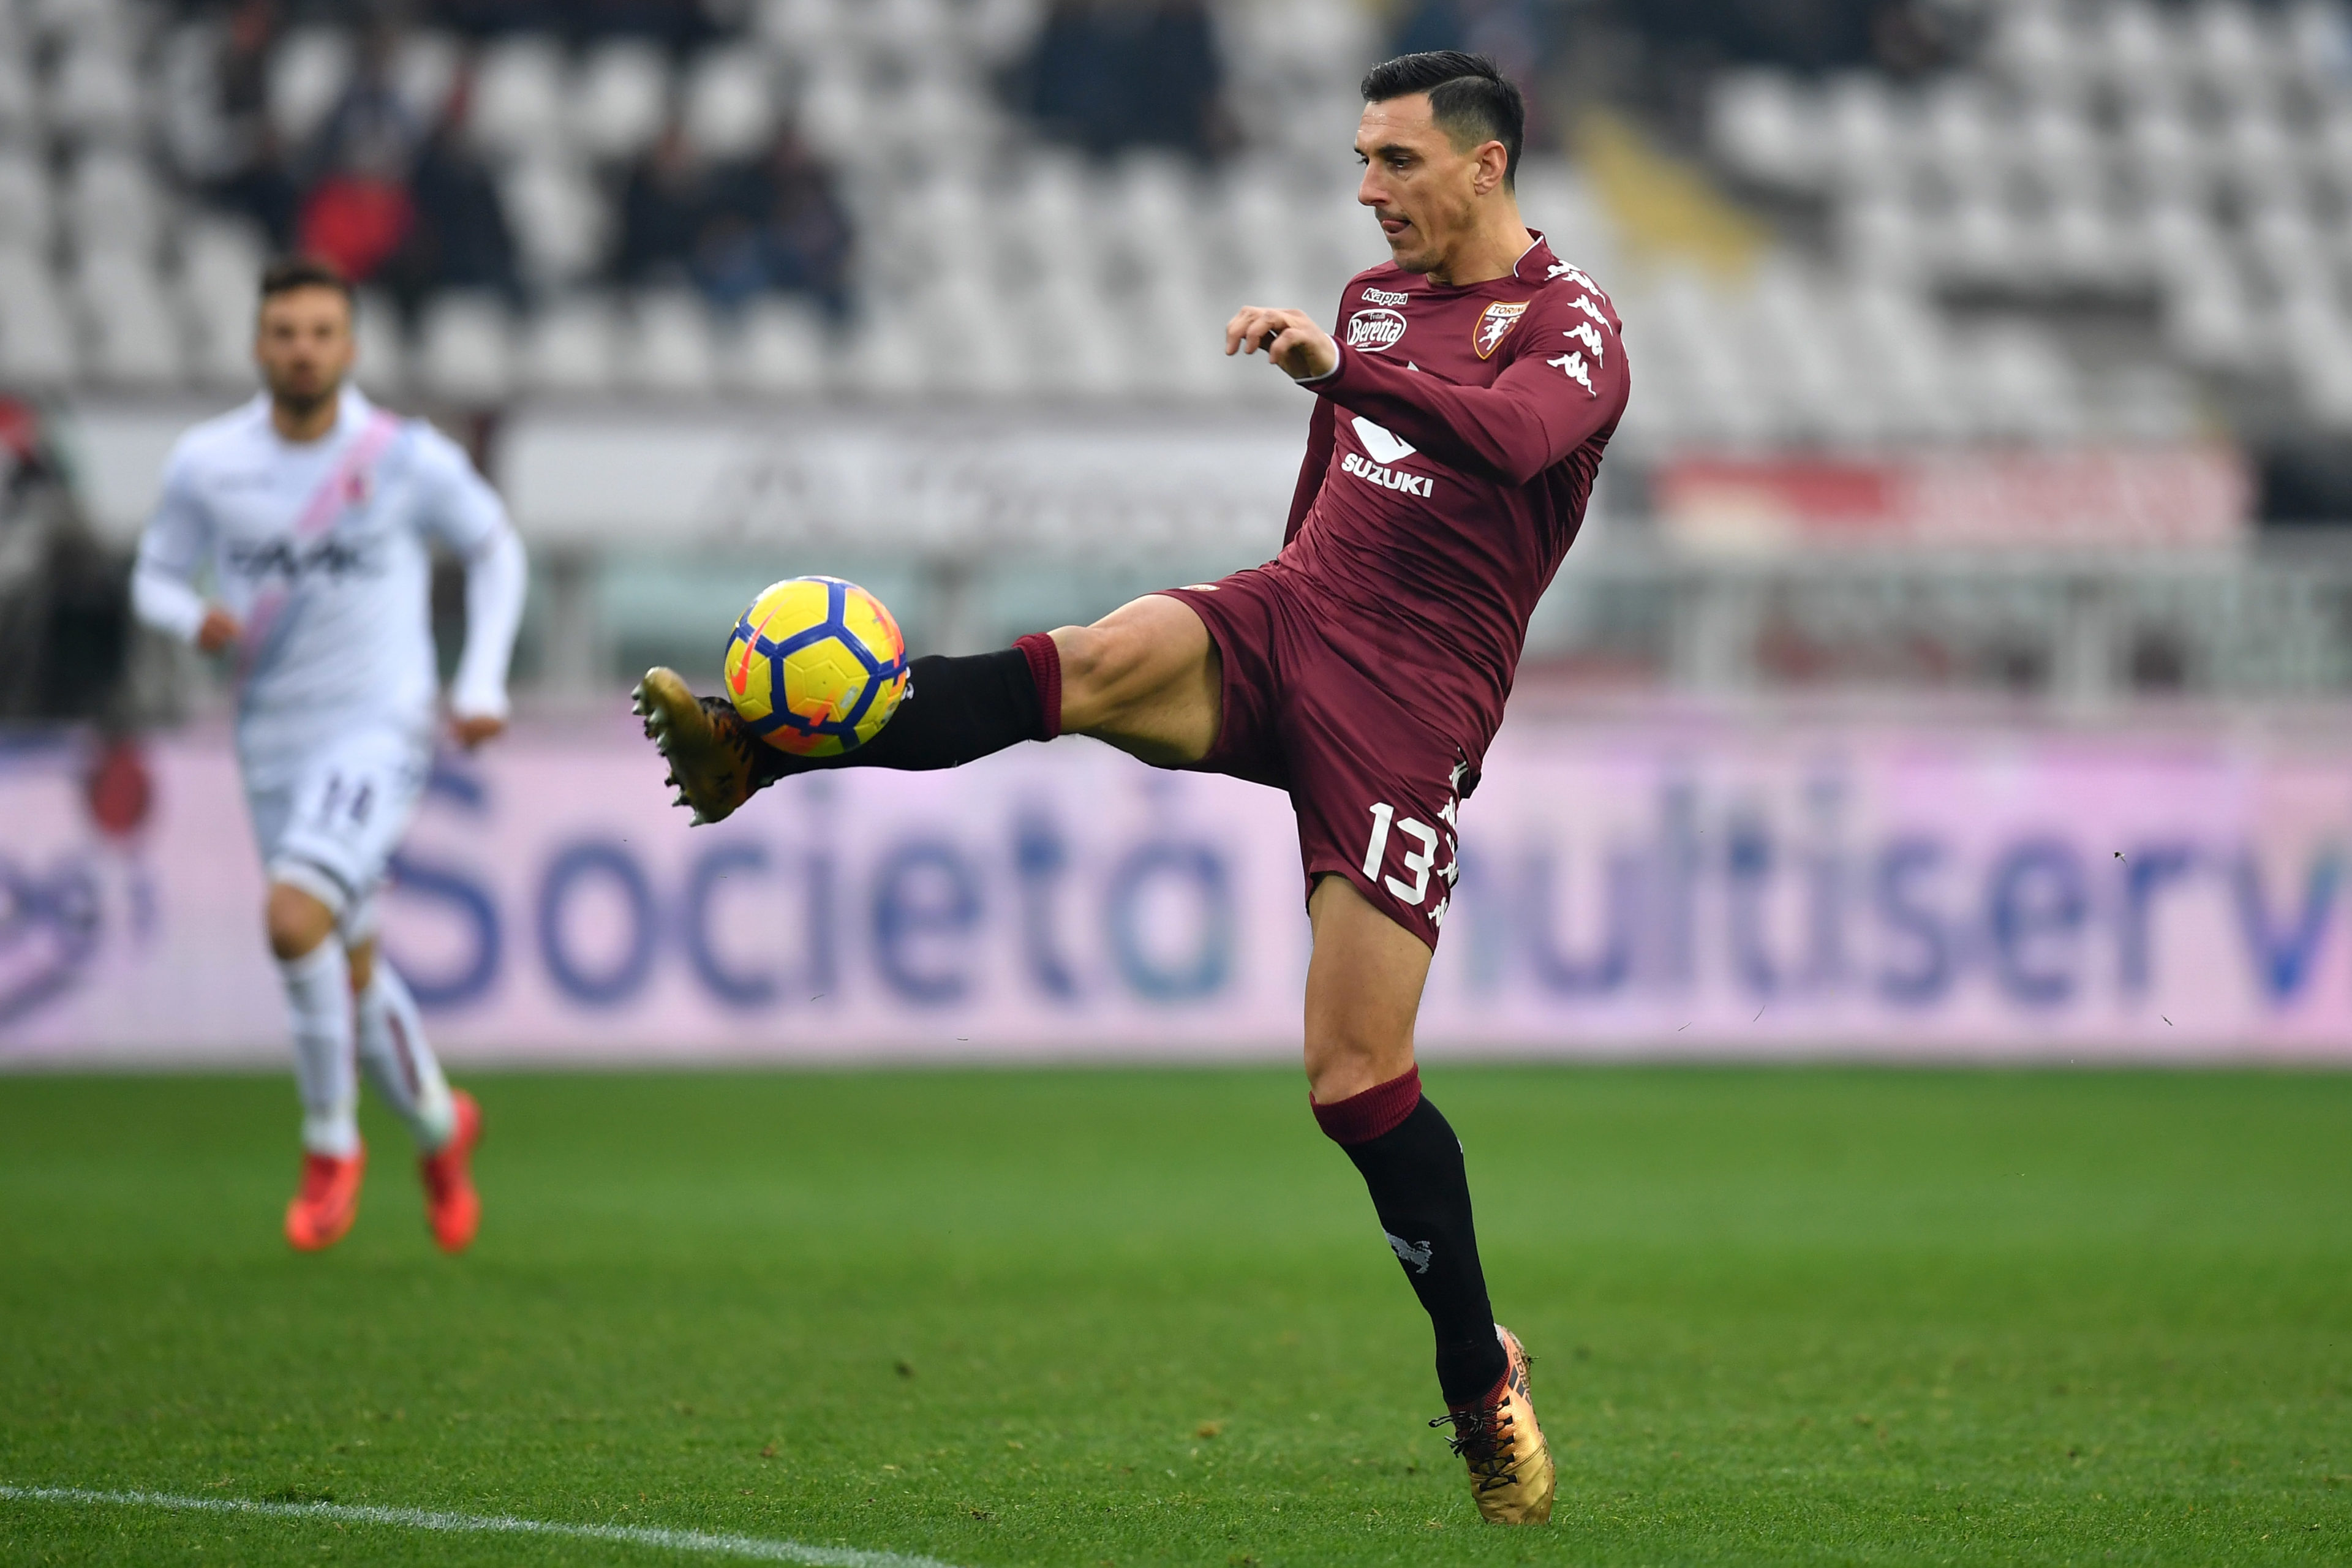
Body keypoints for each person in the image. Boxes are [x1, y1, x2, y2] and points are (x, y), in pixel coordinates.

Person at [634, 50, 1626, 1525]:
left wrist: (1344, 373)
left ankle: (1480, 1370)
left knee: (1353, 1078)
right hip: (1294, 616)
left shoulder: (1570, 324)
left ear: (1487, 166)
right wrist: (1283, 577)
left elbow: (1517, 439)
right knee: (1090, 661)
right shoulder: (1370, 299)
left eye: (1397, 162)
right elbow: (1331, 469)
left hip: (1411, 707)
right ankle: (758, 750)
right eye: (1361, 159)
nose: (1368, 189)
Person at [131, 257, 528, 1255]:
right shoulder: (208, 462)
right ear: (257, 345)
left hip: (379, 728)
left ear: (350, 347)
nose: (302, 350)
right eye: (284, 333)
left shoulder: (402, 456)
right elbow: (153, 576)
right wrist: (188, 616)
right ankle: (439, 1126)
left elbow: (496, 547)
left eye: (320, 333)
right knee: (346, 964)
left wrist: (481, 681)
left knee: (292, 916)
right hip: (270, 737)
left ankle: (328, 1143)